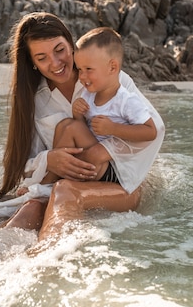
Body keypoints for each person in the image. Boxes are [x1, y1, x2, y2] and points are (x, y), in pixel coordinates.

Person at [0, 12, 165, 244]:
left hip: (119, 183)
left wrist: (106, 149)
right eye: (42, 58)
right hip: (64, 179)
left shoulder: (108, 78)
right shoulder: (35, 100)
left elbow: (154, 129)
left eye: (59, 50)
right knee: (30, 209)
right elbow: (25, 164)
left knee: (60, 191)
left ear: (71, 44)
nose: (55, 63)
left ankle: (46, 256)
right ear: (33, 63)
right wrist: (50, 159)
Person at [37, 26, 158, 187]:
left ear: (112, 68)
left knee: (71, 128)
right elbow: (82, 127)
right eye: (80, 69)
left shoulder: (126, 100)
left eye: (88, 69)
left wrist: (113, 128)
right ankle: (56, 175)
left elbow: (151, 132)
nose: (82, 76)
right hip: (92, 160)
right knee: (65, 125)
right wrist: (78, 114)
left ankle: (50, 179)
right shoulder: (89, 95)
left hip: (112, 168)